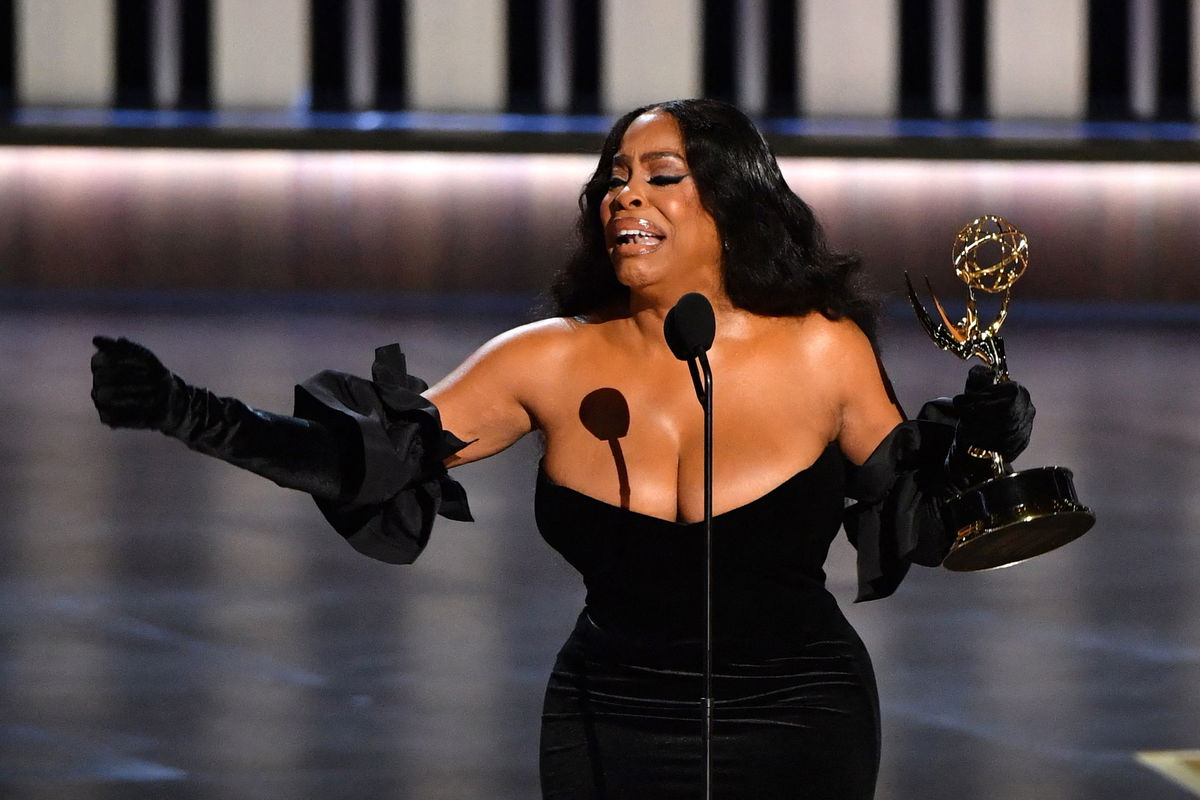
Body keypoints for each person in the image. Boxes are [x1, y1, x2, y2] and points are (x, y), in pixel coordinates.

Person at [91, 99, 1033, 799]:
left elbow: (927, 524)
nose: (626, 194)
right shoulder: (545, 358)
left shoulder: (825, 350)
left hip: (799, 717)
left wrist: (982, 447)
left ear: (733, 202)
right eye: (614, 177)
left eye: (662, 175)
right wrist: (187, 410)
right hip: (608, 719)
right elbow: (364, 458)